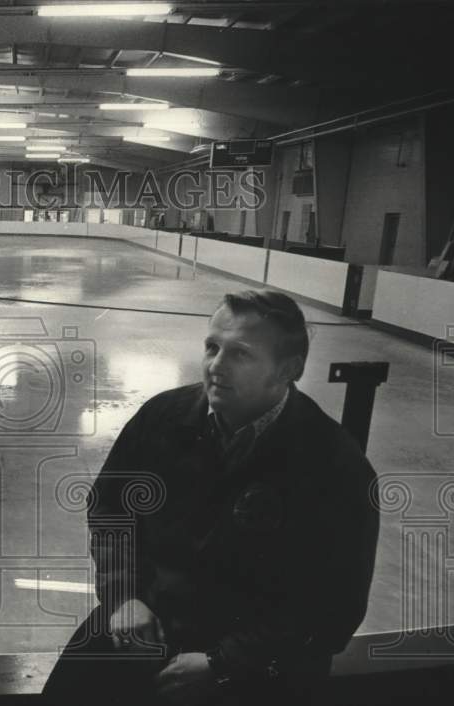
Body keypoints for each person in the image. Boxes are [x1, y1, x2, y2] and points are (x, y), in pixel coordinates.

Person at [43, 290, 379, 705]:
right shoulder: (162, 418)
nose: (215, 366)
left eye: (240, 354)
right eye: (212, 347)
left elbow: (334, 607)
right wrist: (123, 597)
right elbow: (110, 508)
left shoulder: (334, 465)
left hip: (258, 659)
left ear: (288, 369)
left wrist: (226, 665)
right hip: (146, 622)